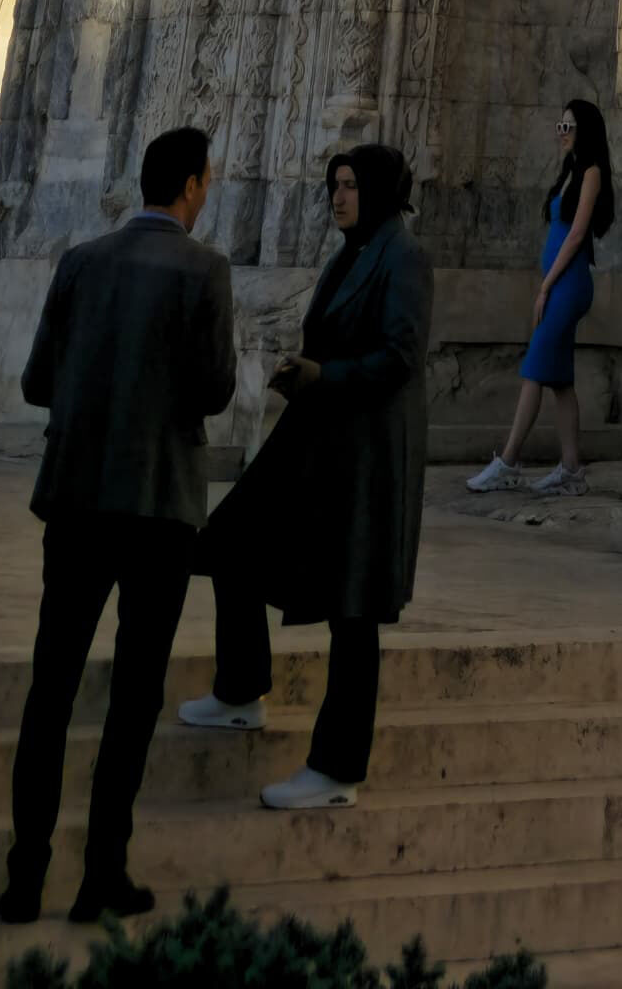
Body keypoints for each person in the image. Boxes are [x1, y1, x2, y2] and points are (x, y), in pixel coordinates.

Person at [2, 120, 241, 933]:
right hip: (158, 508)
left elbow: (38, 381)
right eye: (207, 181)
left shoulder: (80, 263)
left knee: (52, 687)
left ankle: (23, 874)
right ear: (189, 187)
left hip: (73, 498)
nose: (206, 193)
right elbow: (213, 390)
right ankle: (102, 869)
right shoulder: (204, 270)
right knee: (134, 693)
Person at [178, 138, 430, 815]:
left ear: (375, 190)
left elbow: (400, 355)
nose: (338, 197)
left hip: (366, 452)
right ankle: (240, 688)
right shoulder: (351, 255)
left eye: (349, 186)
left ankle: (337, 767)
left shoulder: (402, 256)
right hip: (319, 435)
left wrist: (327, 376)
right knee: (229, 538)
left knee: (355, 609)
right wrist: (307, 373)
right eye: (333, 186)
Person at [464, 95, 610, 493]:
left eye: (568, 126)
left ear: (584, 130)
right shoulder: (570, 170)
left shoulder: (592, 172)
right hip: (559, 283)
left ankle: (508, 462)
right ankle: (571, 469)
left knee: (534, 370)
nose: (561, 133)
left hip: (570, 284)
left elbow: (577, 233)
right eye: (559, 126)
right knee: (559, 379)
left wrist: (545, 287)